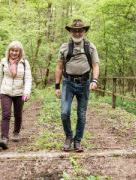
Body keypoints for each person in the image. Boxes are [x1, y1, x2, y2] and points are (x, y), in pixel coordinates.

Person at [55, 19, 99, 152]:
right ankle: (69, 137)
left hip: (84, 84)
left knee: (82, 114)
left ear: (84, 31)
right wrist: (57, 86)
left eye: (80, 31)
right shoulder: (64, 47)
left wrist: (94, 80)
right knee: (64, 112)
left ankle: (78, 140)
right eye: (75, 31)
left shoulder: (90, 47)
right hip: (68, 83)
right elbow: (59, 67)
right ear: (71, 32)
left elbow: (95, 66)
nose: (77, 33)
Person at [0, 41, 32, 150]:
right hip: (5, 91)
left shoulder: (24, 63)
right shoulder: (3, 62)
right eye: (12, 50)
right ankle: (4, 138)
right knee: (6, 114)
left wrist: (26, 91)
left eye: (16, 51)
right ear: (9, 51)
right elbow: (0, 77)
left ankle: (16, 133)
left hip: (19, 92)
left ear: (20, 52)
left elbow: (28, 78)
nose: (14, 53)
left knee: (18, 114)